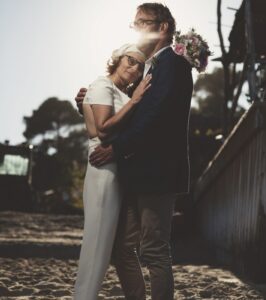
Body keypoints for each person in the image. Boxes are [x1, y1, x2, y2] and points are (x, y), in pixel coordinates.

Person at [75, 3, 198, 299]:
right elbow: (124, 114)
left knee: (154, 250)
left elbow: (155, 116)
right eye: (135, 24)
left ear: (163, 27)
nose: (138, 28)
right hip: (135, 174)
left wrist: (116, 148)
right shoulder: (152, 67)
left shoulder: (173, 64)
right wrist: (89, 105)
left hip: (158, 173)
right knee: (121, 249)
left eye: (143, 22)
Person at [73, 44, 152, 300]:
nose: (135, 68)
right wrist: (137, 99)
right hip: (103, 169)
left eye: (140, 65)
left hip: (117, 170)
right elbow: (104, 130)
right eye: (131, 60)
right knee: (96, 244)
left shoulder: (117, 91)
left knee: (104, 246)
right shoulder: (103, 84)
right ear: (117, 60)